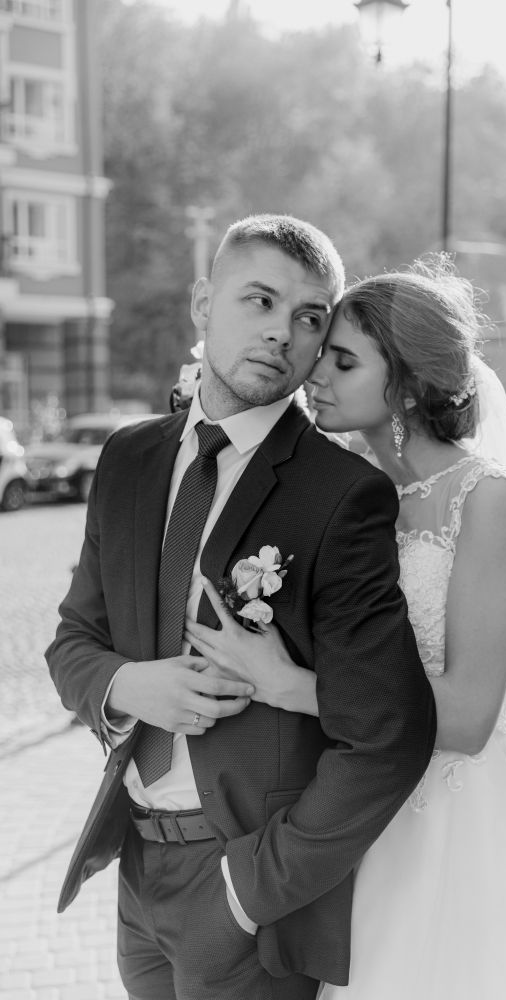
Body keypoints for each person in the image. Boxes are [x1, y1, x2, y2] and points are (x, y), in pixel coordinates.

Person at [188, 256, 506, 999]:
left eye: (344, 361)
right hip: (355, 803)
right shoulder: (344, 490)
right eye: (323, 354)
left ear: (408, 384)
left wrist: (293, 686)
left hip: (468, 818)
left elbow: (470, 719)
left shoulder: (484, 498)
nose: (315, 375)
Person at [45, 214, 436, 1000]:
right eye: (259, 301)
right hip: (135, 867)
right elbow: (73, 642)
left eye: (309, 317)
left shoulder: (341, 494)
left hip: (245, 895)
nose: (281, 333)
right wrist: (129, 686)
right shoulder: (127, 458)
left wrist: (247, 892)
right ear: (203, 303)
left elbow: (388, 733)